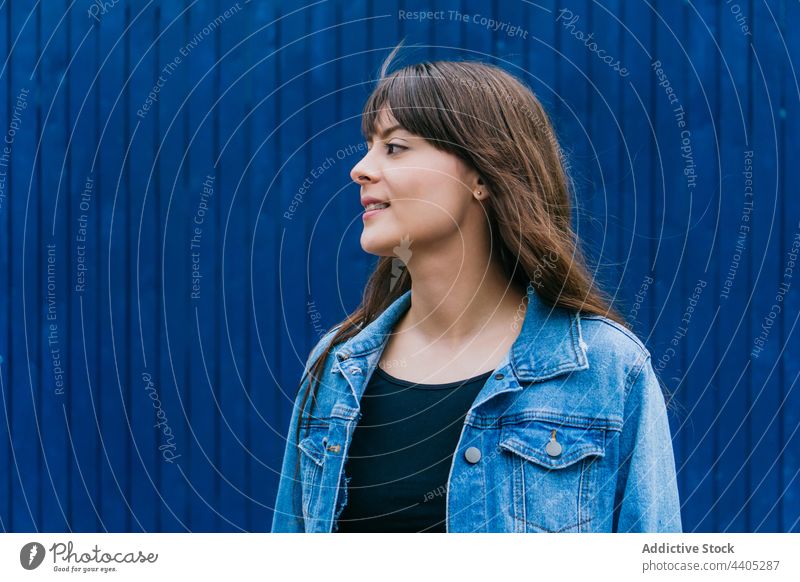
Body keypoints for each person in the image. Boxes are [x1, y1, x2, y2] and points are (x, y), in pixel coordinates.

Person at [271, 44, 681, 533]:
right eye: (368, 145)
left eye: (395, 147)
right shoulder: (335, 366)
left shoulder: (607, 369)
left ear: (481, 176)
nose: (360, 168)